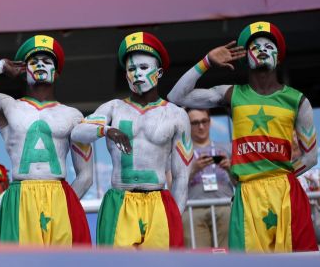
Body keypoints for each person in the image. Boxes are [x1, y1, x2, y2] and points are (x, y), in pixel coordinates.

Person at [168, 22, 317, 253]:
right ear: (245, 57)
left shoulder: (298, 100)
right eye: (255, 47)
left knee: (297, 264)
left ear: (278, 58)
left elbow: (311, 157)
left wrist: (281, 178)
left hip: (286, 193)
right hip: (247, 194)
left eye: (269, 45)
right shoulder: (230, 93)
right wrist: (207, 61)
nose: (262, 50)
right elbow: (176, 96)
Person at [0, 35, 92, 245]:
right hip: (21, 195)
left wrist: (64, 206)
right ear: (25, 70)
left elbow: (86, 176)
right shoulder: (7, 105)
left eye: (47, 61)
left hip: (59, 194)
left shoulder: (73, 115)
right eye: (34, 61)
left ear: (56, 73)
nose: (40, 65)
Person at [72, 32, 190, 249]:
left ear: (159, 72)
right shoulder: (113, 108)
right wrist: (106, 131)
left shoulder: (176, 114)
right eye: (132, 69)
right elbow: (77, 133)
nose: (137, 74)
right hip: (120, 201)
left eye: (144, 68)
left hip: (158, 201)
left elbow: (182, 175)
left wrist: (174, 215)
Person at [183, 108, 233, 248]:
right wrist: (193, 170)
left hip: (225, 207)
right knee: (199, 260)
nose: (201, 126)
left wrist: (230, 169)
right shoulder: (180, 153)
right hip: (193, 210)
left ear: (210, 122)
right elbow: (171, 185)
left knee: (228, 256)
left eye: (204, 121)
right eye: (195, 122)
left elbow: (240, 182)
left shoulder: (228, 148)